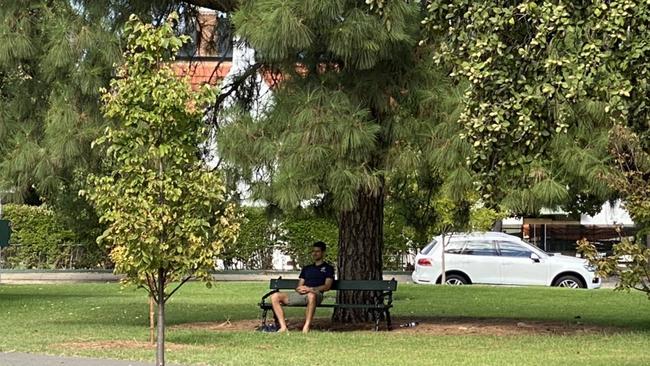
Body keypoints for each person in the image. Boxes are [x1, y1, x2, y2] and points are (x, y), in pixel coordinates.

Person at [270, 241, 335, 333]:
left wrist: (311, 289)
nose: (315, 253)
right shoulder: (307, 268)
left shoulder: (328, 268)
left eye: (317, 251)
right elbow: (300, 285)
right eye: (313, 251)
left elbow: (327, 286)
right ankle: (283, 327)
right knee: (275, 296)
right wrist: (300, 289)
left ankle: (306, 327)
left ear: (323, 253)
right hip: (302, 294)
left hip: (316, 294)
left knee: (311, 296)